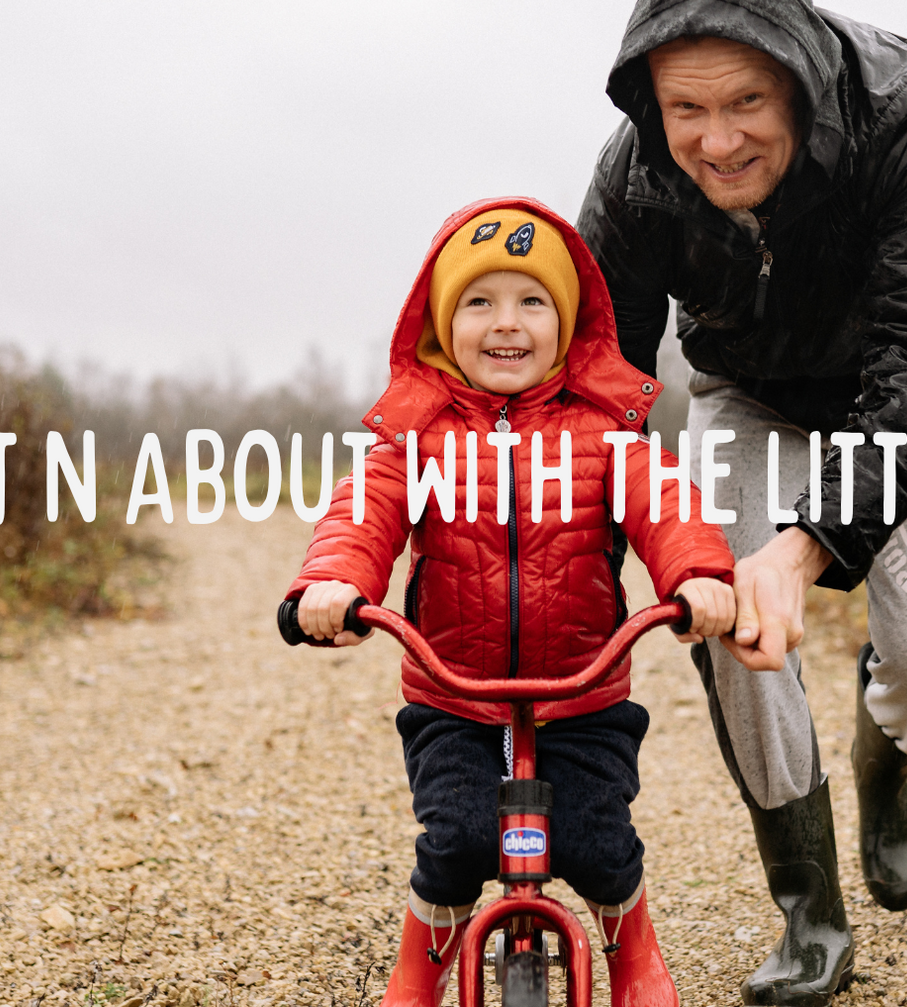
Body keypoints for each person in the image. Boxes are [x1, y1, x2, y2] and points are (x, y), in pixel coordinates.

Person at [578, 0, 907, 1004]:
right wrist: (592, 551)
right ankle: (809, 908)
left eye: (746, 103)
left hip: (903, 395)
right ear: (650, 102)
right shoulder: (633, 176)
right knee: (729, 618)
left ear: (801, 77)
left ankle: (887, 766)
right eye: (686, 110)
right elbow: (602, 377)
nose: (715, 143)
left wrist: (808, 545)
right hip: (747, 396)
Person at [284, 198, 740, 1007]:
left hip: (582, 697)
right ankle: (416, 975)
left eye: (532, 302)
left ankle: (633, 952)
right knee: (456, 841)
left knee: (600, 842)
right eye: (479, 301)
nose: (508, 323)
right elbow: (366, 510)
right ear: (440, 321)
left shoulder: (605, 435)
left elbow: (664, 503)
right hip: (454, 696)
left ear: (566, 325)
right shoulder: (416, 438)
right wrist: (336, 585)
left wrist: (698, 575)